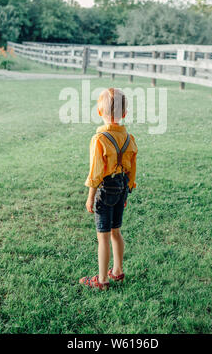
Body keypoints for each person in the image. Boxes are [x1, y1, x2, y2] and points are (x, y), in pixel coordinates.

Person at [79, 88, 138, 290]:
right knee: (116, 231)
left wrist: (90, 198)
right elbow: (132, 169)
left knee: (102, 236)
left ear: (99, 112)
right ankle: (118, 270)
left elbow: (96, 173)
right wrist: (127, 190)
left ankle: (102, 279)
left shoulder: (100, 139)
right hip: (121, 188)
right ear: (124, 114)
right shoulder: (129, 138)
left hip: (105, 191)